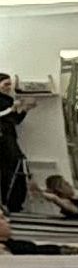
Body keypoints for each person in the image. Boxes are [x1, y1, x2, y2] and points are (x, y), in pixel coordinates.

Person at [0, 75, 34, 215]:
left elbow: (14, 121)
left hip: (8, 136)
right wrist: (12, 109)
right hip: (3, 138)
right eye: (6, 84)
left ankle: (13, 204)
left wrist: (25, 109)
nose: (9, 88)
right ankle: (10, 204)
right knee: (12, 168)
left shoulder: (7, 100)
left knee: (14, 168)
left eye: (10, 85)